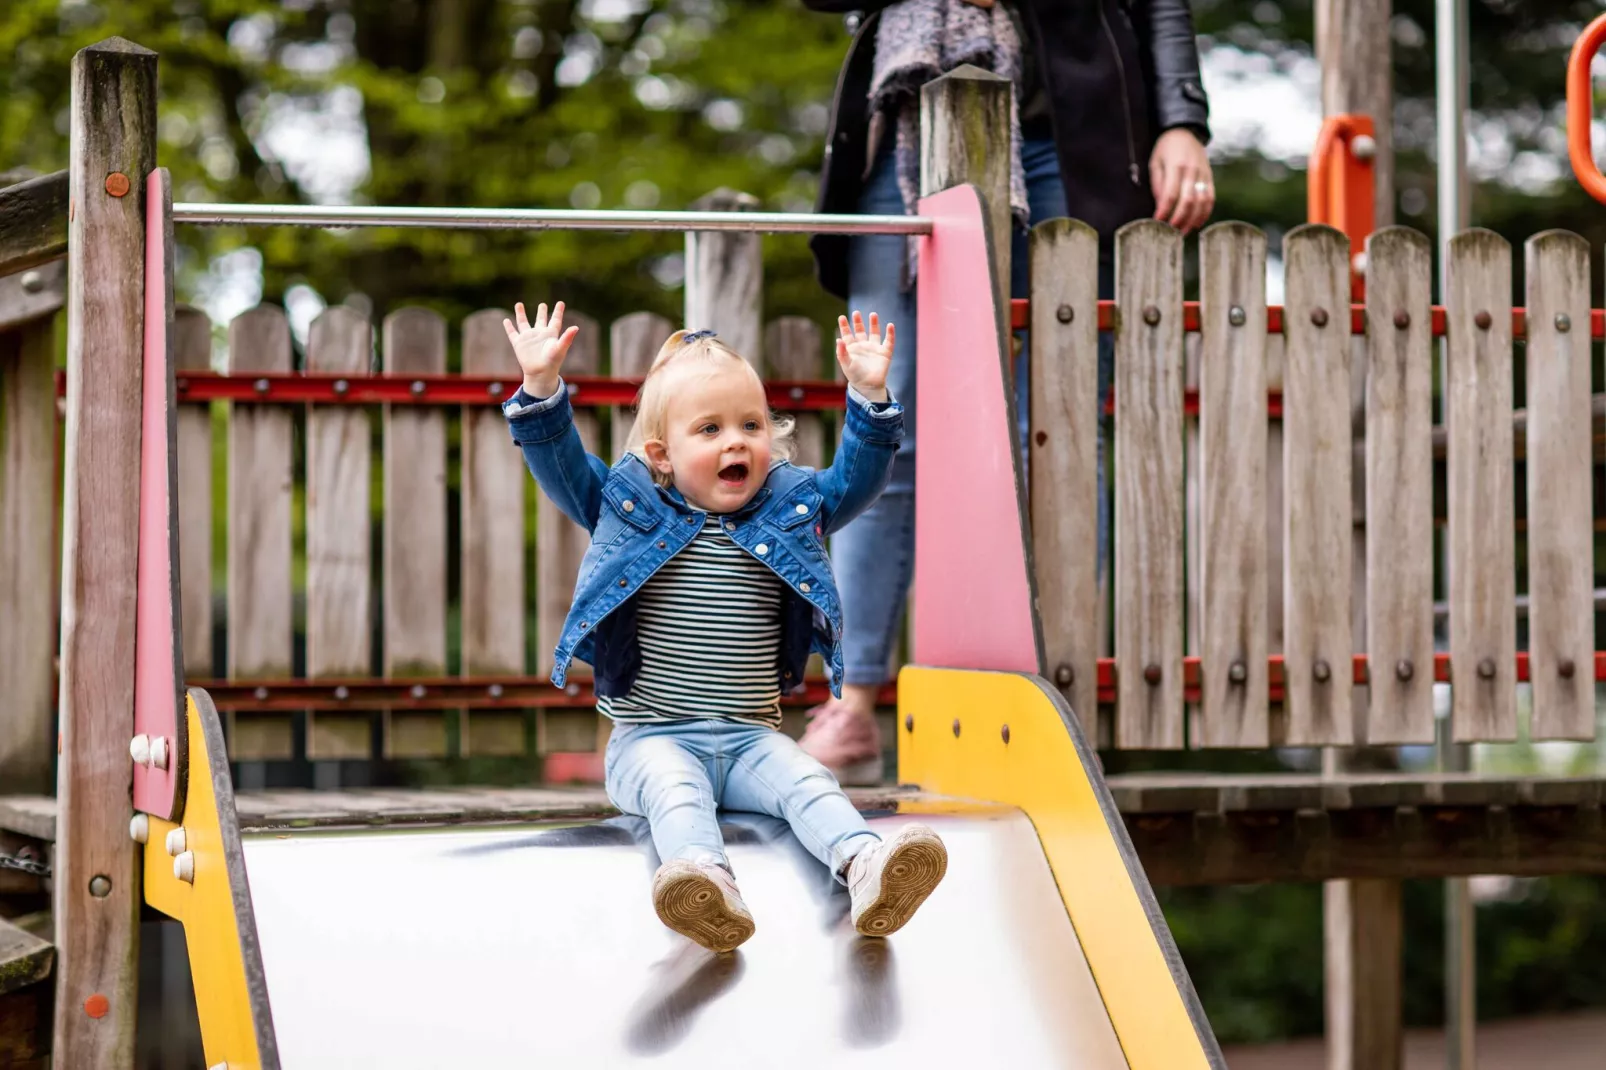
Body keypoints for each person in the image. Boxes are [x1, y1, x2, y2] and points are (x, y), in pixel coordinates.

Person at [799, 0, 1217, 782]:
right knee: (887, 426)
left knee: (1053, 433)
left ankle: (1053, 701)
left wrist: (1181, 120)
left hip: (1067, 138)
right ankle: (851, 702)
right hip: (902, 139)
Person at [500, 299, 947, 953]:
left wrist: (869, 398)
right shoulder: (625, 508)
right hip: (651, 740)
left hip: (748, 739)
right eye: (709, 430)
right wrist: (541, 389)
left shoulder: (790, 510)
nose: (736, 440)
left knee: (808, 780)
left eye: (751, 423)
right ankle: (705, 887)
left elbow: (857, 482)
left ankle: (866, 867)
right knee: (677, 792)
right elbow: (559, 461)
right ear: (661, 455)